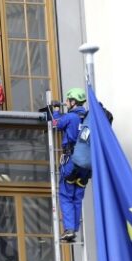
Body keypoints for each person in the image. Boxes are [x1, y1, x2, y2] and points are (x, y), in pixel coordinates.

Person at [52, 88, 88, 242]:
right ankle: (74, 228)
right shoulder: (89, 118)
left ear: (73, 102)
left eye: (68, 101)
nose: (66, 103)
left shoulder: (71, 117)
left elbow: (56, 124)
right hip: (87, 165)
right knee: (77, 197)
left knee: (66, 195)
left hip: (72, 161)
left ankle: (70, 229)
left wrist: (55, 111)